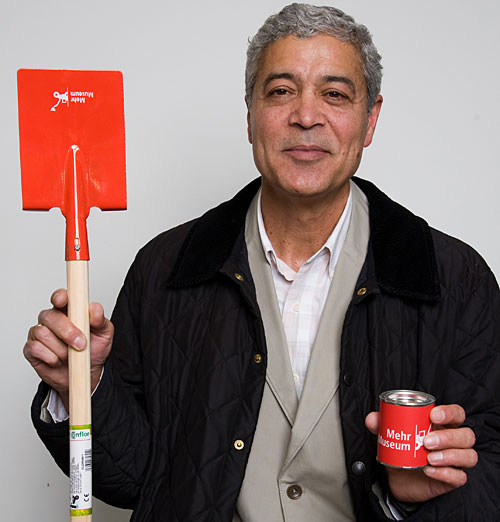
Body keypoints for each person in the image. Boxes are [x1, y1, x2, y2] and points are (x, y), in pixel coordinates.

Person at [24, 4, 500, 521]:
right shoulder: (165, 269)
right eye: (280, 91)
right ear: (250, 114)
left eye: (335, 94)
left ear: (370, 119)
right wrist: (85, 385)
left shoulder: (455, 279)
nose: (306, 116)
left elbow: (492, 472)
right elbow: (133, 477)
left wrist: (402, 498)